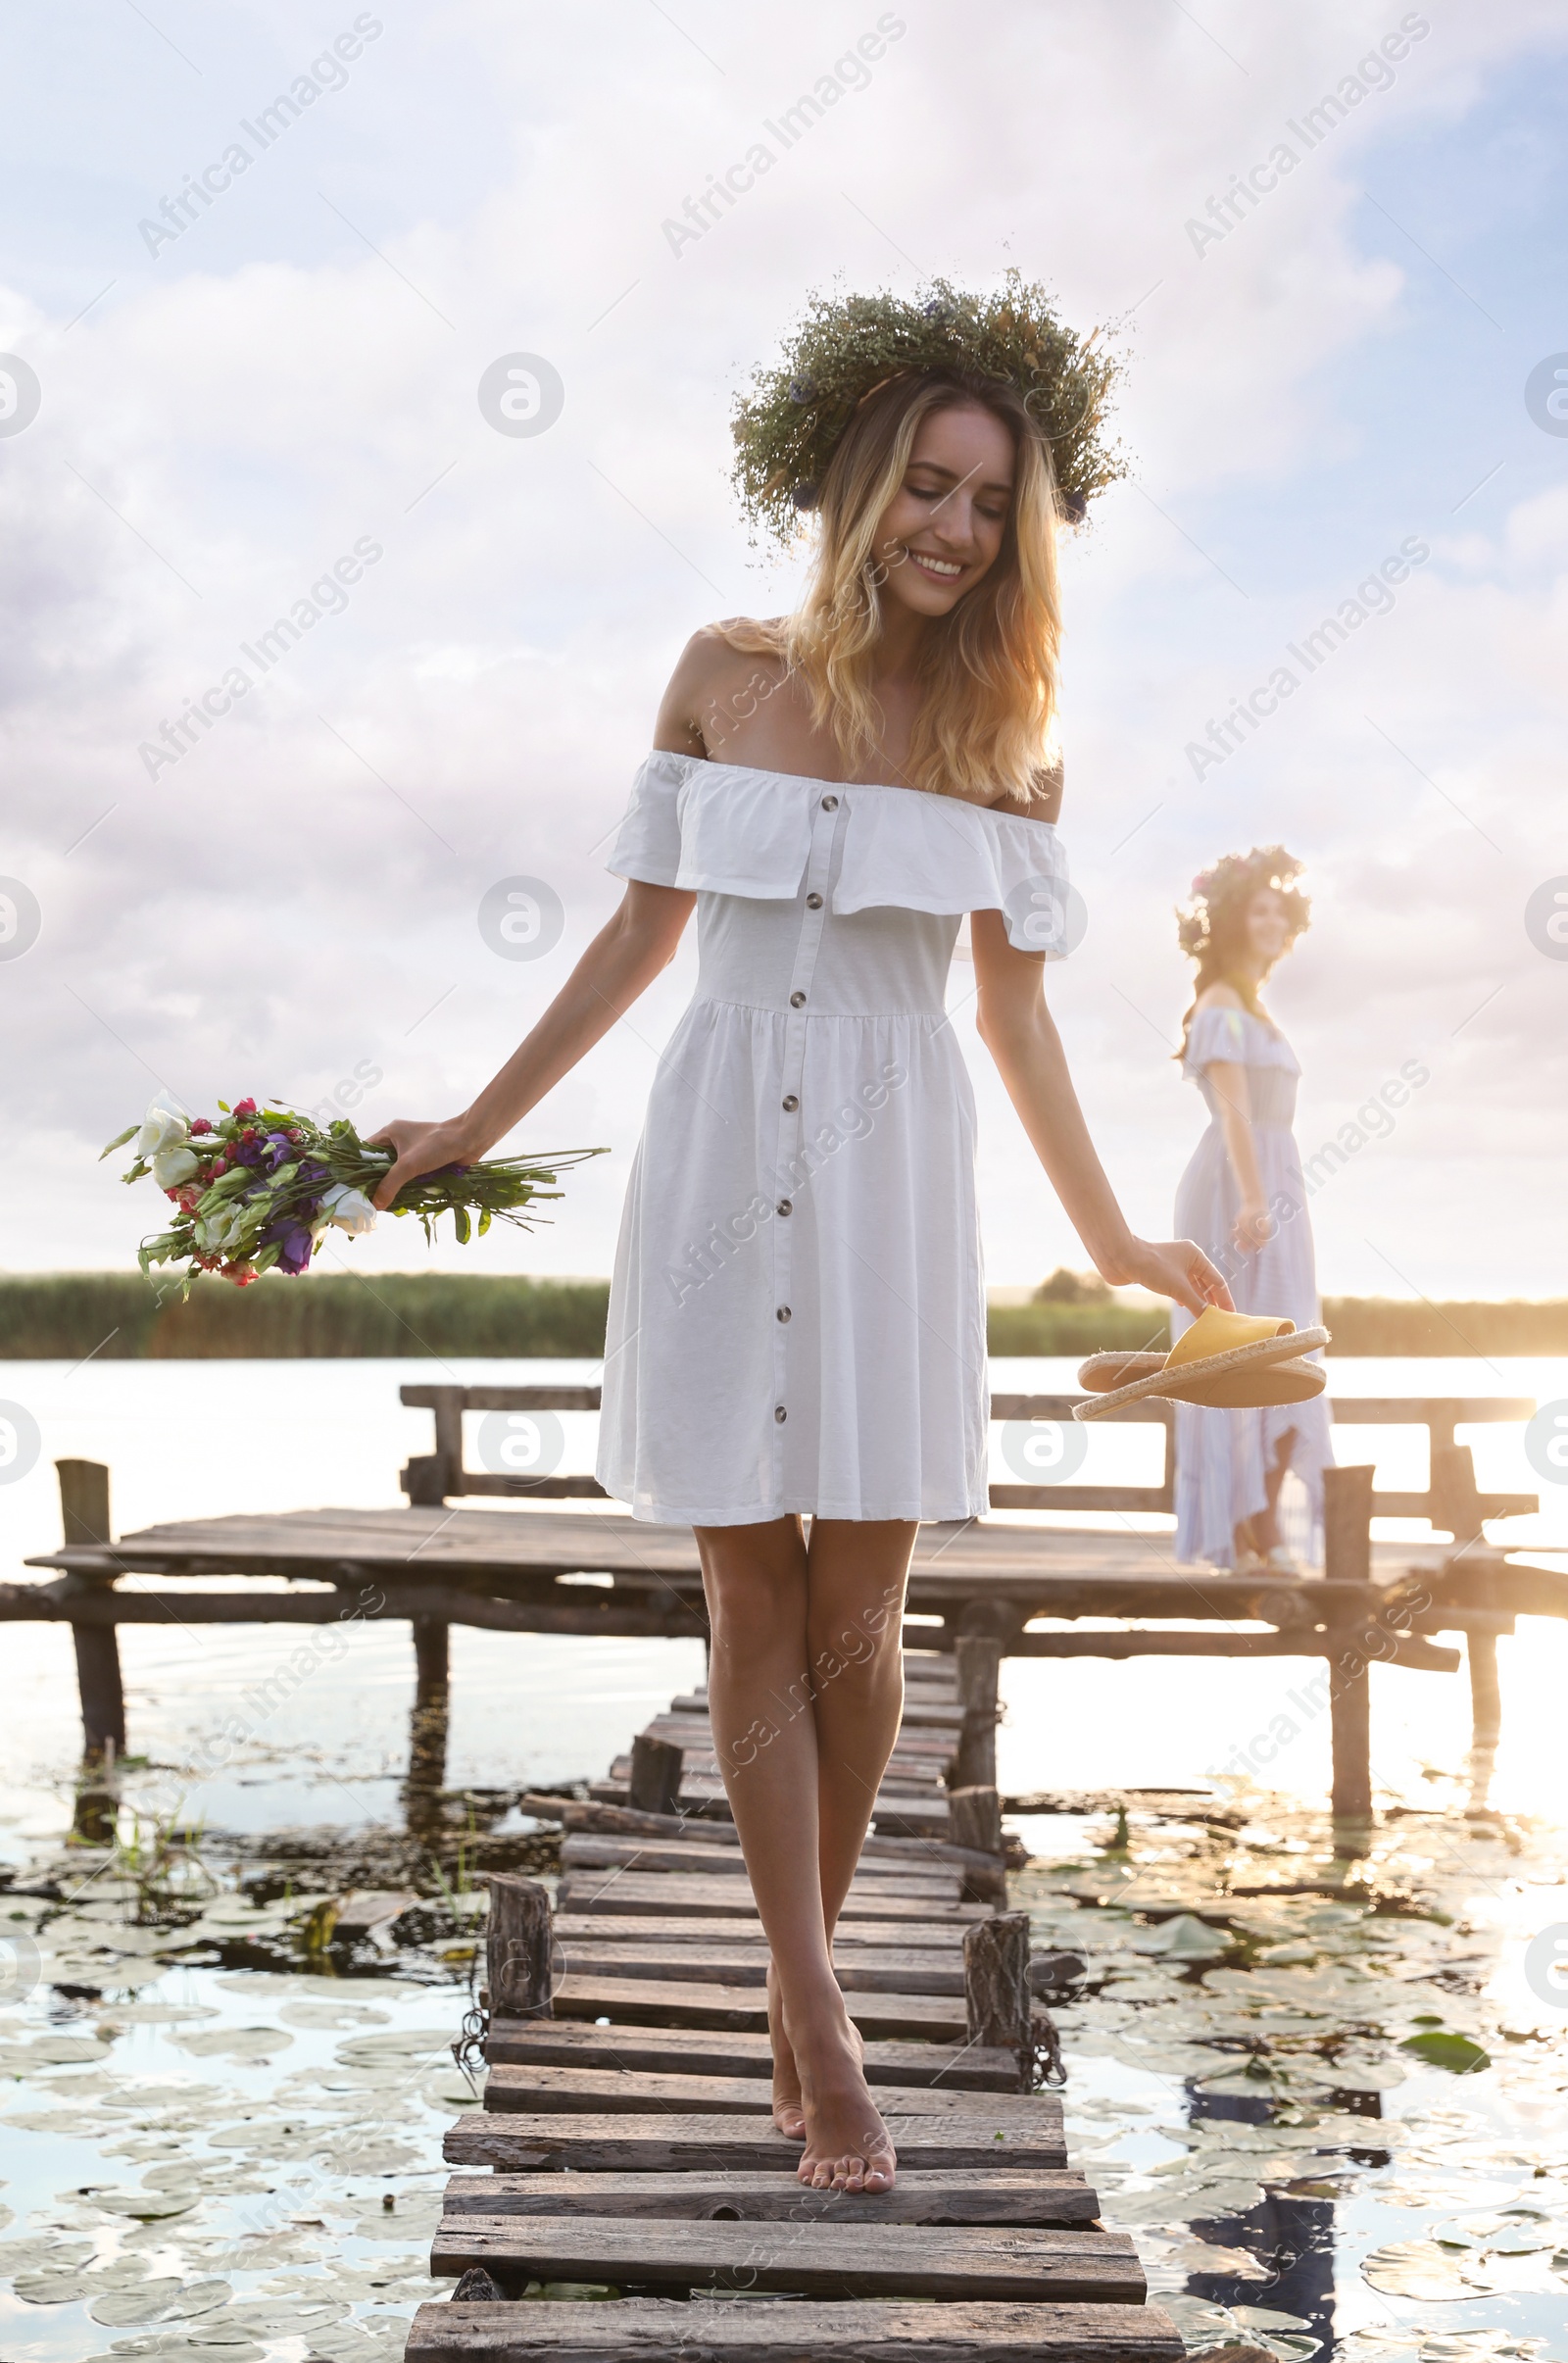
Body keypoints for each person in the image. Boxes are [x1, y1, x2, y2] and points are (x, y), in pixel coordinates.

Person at [368, 282, 1231, 2197]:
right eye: (926, 484)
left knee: (862, 1610)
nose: (951, 526)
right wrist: (465, 1128)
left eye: (988, 503)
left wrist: (1102, 1232)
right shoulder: (717, 671)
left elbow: (1011, 1016)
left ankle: (799, 1974)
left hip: (897, 1159)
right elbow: (631, 941)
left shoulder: (1012, 740)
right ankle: (815, 2005)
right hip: (713, 1143)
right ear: (856, 482)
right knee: (746, 1591)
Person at [1170, 849, 1334, 1572]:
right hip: (1240, 1183)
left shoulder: (1254, 1004)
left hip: (1279, 1176)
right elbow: (1234, 1106)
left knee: (1290, 1345)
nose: (1271, 921)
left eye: (1280, 910)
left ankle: (1258, 1523)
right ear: (1232, 920)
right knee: (1244, 1348)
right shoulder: (1221, 1005)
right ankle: (1251, 1529)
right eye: (1257, 909)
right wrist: (1252, 1198)